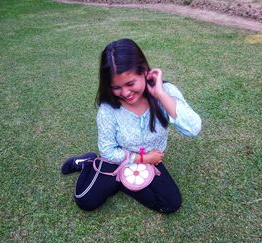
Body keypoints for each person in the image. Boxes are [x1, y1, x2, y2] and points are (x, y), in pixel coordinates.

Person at [61, 38, 201, 213]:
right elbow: (107, 150)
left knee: (170, 203)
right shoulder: (108, 109)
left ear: (144, 71)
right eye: (116, 87)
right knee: (86, 200)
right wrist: (143, 159)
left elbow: (193, 128)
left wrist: (160, 95)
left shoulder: (166, 93)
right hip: (118, 158)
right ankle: (88, 162)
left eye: (130, 83)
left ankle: (121, 182)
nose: (125, 93)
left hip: (151, 160)